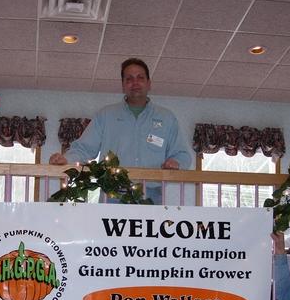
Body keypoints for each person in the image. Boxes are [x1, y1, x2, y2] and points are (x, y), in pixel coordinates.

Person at [49, 57, 192, 204]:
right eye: (129, 79)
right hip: (113, 194)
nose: (135, 83)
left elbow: (183, 155)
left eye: (140, 78)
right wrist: (66, 159)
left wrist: (176, 162)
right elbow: (84, 149)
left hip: (152, 196)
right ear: (123, 85)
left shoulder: (167, 118)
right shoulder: (106, 115)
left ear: (149, 83)